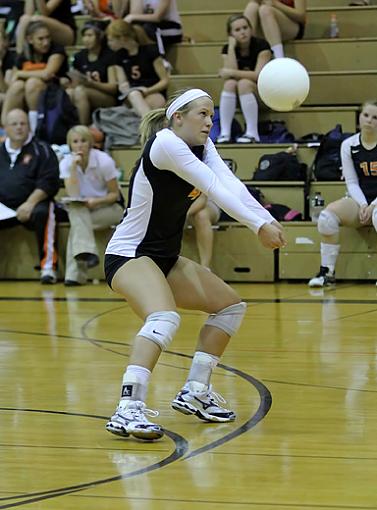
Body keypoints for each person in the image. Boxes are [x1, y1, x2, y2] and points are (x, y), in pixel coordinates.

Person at [103, 88, 286, 440]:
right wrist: (257, 226)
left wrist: (265, 218)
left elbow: (231, 182)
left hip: (164, 258)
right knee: (164, 317)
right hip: (128, 254)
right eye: (203, 114)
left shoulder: (202, 146)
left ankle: (195, 391)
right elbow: (213, 186)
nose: (210, 121)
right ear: (178, 117)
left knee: (230, 307)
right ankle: (128, 408)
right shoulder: (166, 144)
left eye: (212, 115)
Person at [308, 100, 377, 288]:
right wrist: (363, 205)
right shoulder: (348, 144)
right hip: (361, 200)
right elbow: (352, 182)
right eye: (366, 115)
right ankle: (326, 273)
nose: (369, 120)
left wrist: (373, 206)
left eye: (375, 117)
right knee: (326, 217)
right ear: (359, 117)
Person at [59, 125, 124, 286]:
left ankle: (75, 274)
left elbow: (114, 195)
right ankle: (82, 261)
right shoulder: (67, 163)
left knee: (77, 221)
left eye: (83, 141)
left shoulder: (104, 161)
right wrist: (74, 167)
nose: (79, 145)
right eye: (75, 142)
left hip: (110, 208)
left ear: (90, 143)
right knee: (77, 213)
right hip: (83, 209)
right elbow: (73, 194)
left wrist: (96, 202)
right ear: (70, 145)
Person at [0, 109, 60, 284]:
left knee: (45, 211)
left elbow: (49, 182)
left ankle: (48, 268)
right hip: (3, 206)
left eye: (23, 123)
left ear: (28, 126)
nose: (19, 127)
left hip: (32, 203)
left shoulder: (42, 150)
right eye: (14, 124)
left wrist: (29, 203)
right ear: (5, 128)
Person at [1, 21, 68, 132]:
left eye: (48, 38)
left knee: (32, 83)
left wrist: (20, 73)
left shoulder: (56, 50)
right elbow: (12, 82)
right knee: (17, 86)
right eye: (40, 39)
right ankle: (6, 127)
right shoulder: (24, 55)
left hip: (54, 91)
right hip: (27, 94)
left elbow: (47, 74)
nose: (46, 42)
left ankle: (35, 129)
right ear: (30, 39)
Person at [217, 14, 272, 144]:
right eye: (237, 30)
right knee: (230, 84)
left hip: (265, 93)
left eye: (245, 28)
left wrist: (231, 72)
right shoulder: (227, 49)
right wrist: (231, 47)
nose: (242, 32)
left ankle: (252, 134)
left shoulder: (262, 46)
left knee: (244, 84)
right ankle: (225, 133)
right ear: (231, 35)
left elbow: (259, 76)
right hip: (241, 97)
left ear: (251, 29)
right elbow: (229, 76)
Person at [106, 19, 169, 118]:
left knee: (150, 103)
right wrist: (123, 86)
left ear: (122, 38)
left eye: (111, 40)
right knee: (134, 95)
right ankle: (149, 126)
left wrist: (147, 91)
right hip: (131, 96)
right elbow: (122, 82)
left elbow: (164, 81)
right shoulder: (119, 56)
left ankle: (147, 126)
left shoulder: (150, 51)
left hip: (153, 92)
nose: (109, 44)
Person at [68, 22, 118, 126]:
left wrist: (92, 84)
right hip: (84, 90)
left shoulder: (109, 55)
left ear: (99, 36)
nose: (86, 39)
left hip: (108, 97)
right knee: (69, 92)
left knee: (80, 92)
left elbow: (113, 88)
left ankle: (83, 127)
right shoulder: (79, 57)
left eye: (90, 35)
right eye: (84, 36)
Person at [186, 195, 221, 270]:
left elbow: (201, 200)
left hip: (206, 204)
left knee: (202, 216)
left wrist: (182, 214)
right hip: (179, 205)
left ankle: (205, 267)